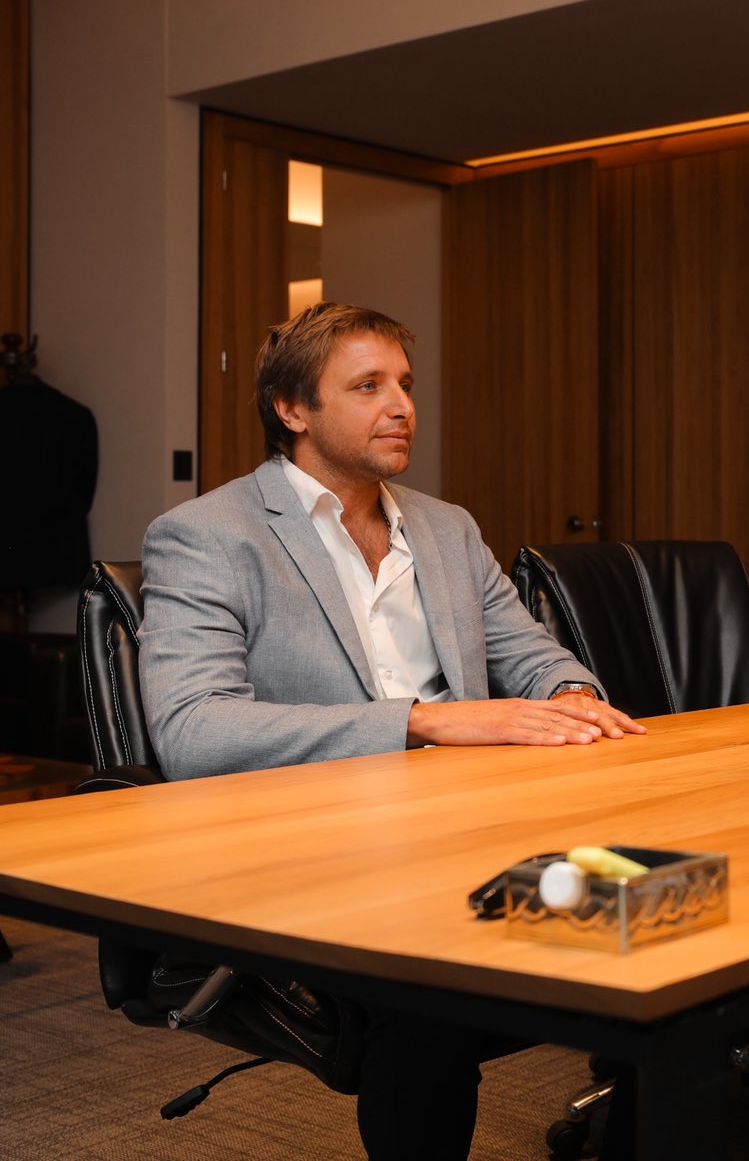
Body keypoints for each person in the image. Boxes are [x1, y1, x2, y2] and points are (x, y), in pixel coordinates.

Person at [139, 301, 644, 1159]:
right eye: (367, 386)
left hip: (482, 822)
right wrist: (424, 723)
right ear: (291, 409)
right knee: (430, 993)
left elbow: (531, 653)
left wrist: (569, 694)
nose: (402, 406)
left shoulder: (445, 527)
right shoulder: (207, 536)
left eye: (405, 384)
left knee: (667, 913)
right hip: (328, 847)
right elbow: (193, 729)